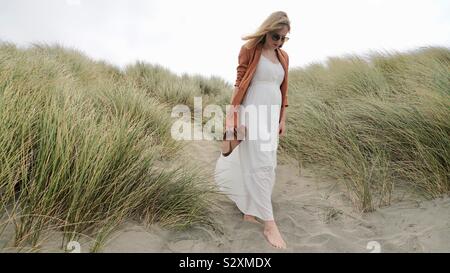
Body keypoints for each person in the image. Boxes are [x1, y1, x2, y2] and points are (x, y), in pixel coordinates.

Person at [214, 11, 290, 249]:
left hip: (271, 116)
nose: (279, 42)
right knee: (258, 163)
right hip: (252, 113)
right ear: (266, 31)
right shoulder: (249, 49)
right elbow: (239, 83)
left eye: (284, 38)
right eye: (275, 36)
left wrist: (282, 118)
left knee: (268, 162)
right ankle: (269, 224)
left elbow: (284, 90)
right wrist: (231, 118)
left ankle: (250, 210)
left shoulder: (284, 57)